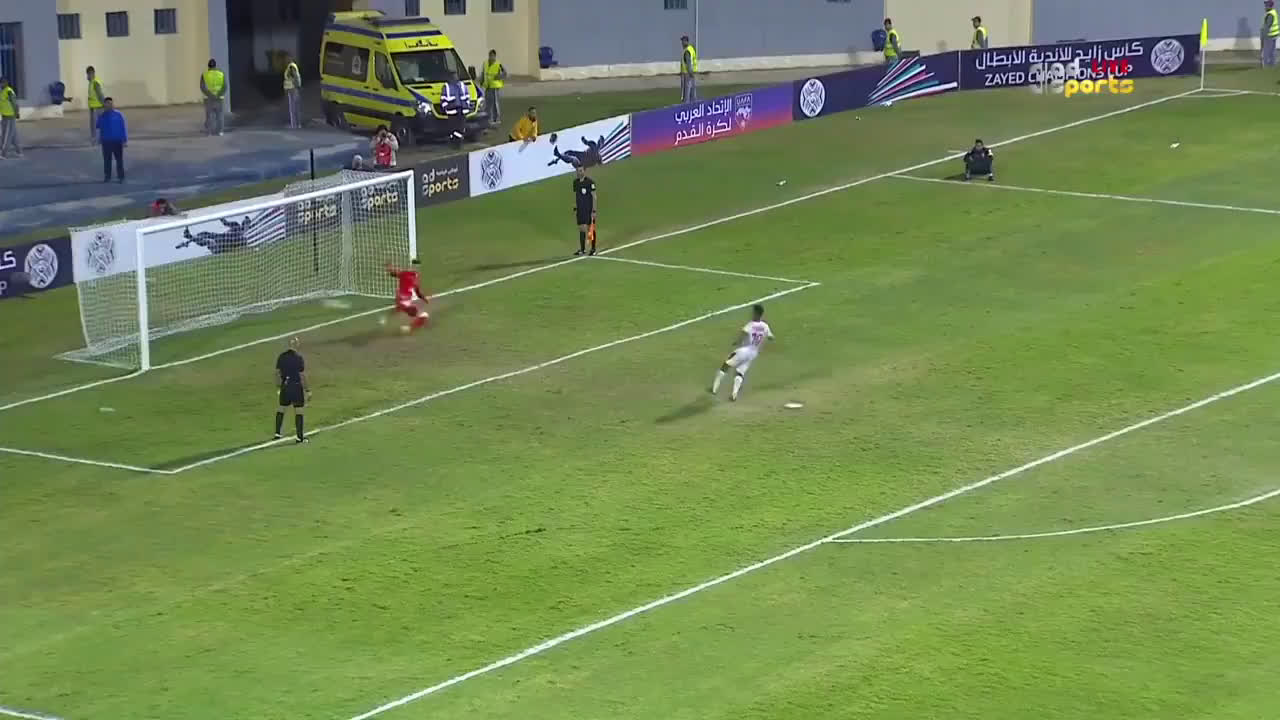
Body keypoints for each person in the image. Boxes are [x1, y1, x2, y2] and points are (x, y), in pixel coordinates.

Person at [711, 304, 774, 402]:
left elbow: (743, 333)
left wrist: (737, 342)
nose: (752, 314)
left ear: (757, 313)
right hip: (753, 353)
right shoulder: (765, 326)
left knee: (726, 365)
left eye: (753, 312)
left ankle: (714, 389)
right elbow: (771, 337)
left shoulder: (751, 324)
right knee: (740, 372)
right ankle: (734, 394)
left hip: (744, 350)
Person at [274, 336, 310, 443]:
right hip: (296, 386)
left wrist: (279, 387)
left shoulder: (281, 357)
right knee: (299, 411)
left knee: (281, 409)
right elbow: (302, 375)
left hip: (285, 386)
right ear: (296, 345)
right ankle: (299, 437)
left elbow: (277, 373)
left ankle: (277, 433)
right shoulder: (298, 358)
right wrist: (307, 390)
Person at [382, 260, 429, 332]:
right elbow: (418, 293)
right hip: (405, 301)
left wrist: (389, 267)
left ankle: (385, 319)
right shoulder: (415, 278)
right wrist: (424, 298)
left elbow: (393, 273)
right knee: (424, 315)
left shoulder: (404, 273)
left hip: (399, 298)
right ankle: (409, 328)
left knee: (399, 308)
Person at [177, 216, 253, 254]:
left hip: (220, 247)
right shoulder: (236, 225)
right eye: (245, 222)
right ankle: (189, 237)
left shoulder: (242, 238)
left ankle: (189, 238)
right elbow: (225, 222)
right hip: (220, 239)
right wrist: (219, 216)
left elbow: (238, 246)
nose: (245, 224)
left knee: (208, 241)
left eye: (247, 223)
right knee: (205, 234)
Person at [97, 98, 127, 183]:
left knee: (119, 160)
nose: (109, 105)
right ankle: (107, 176)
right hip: (106, 142)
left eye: (111, 103)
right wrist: (100, 138)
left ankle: (121, 177)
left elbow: (123, 127)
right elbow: (98, 126)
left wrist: (124, 140)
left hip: (117, 141)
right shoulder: (102, 116)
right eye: (107, 103)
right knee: (107, 160)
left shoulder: (118, 115)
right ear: (104, 105)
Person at [439, 71, 471, 149]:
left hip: (462, 111)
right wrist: (447, 108)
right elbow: (443, 100)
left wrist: (466, 106)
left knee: (460, 129)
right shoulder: (446, 87)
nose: (455, 78)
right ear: (449, 78)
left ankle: (456, 143)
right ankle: (455, 143)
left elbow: (467, 97)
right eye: (453, 76)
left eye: (456, 76)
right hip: (452, 111)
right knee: (454, 129)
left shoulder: (463, 85)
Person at [571, 165, 597, 256]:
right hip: (580, 210)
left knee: (590, 229)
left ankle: (593, 249)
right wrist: (575, 207)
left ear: (584, 171)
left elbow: (594, 196)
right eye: (578, 171)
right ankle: (582, 249)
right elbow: (576, 195)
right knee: (581, 229)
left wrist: (594, 210)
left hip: (588, 209)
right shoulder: (575, 182)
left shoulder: (590, 182)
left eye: (581, 170)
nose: (579, 172)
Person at [201, 59, 227, 136]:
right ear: (215, 66)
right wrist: (218, 95)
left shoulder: (204, 74)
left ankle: (209, 132)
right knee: (220, 115)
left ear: (208, 66)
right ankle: (220, 131)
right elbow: (225, 86)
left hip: (208, 99)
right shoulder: (221, 73)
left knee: (209, 115)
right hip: (219, 98)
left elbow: (202, 87)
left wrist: (210, 95)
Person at [481, 49, 507, 127]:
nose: (491, 57)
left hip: (495, 87)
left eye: (493, 56)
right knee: (487, 103)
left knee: (495, 104)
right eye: (490, 55)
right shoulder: (485, 63)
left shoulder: (498, 64)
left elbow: (505, 73)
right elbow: (483, 73)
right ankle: (488, 119)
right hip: (487, 86)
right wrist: (482, 81)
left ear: (495, 56)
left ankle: (496, 119)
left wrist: (499, 76)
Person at [0, 77, 19, 159]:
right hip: (4, 116)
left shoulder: (9, 91)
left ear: (6, 83)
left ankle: (4, 154)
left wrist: (16, 113)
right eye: (1, 82)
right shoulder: (2, 92)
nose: (2, 84)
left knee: (7, 136)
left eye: (3, 82)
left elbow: (15, 103)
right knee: (12, 135)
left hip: (10, 116)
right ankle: (19, 151)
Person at [86, 66, 107, 143]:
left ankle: (97, 138)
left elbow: (100, 94)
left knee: (97, 124)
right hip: (93, 107)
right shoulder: (91, 82)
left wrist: (105, 104)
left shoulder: (95, 83)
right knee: (95, 124)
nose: (87, 76)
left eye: (88, 74)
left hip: (98, 107)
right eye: (87, 74)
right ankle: (96, 138)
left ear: (92, 73)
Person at [283, 53, 302, 129]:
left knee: (293, 108)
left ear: (290, 58)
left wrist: (295, 87)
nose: (285, 60)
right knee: (295, 107)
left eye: (287, 58)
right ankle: (297, 124)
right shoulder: (292, 66)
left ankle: (294, 125)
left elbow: (295, 77)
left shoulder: (291, 66)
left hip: (292, 89)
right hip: (293, 89)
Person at [679, 35, 698, 102]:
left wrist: (690, 73)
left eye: (683, 41)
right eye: (682, 41)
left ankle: (686, 106)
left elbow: (688, 63)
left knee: (686, 93)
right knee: (692, 92)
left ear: (686, 41)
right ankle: (694, 105)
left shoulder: (687, 51)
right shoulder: (691, 49)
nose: (682, 43)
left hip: (688, 74)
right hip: (692, 73)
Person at [1264, 1, 1279, 67]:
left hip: (1270, 35)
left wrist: (1264, 35)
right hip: (1275, 34)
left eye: (1266, 5)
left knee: (1267, 50)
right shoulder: (1274, 12)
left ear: (1269, 6)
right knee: (1272, 50)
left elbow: (1267, 26)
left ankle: (1266, 65)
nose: (1265, 7)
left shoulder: (1270, 14)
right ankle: (1273, 64)